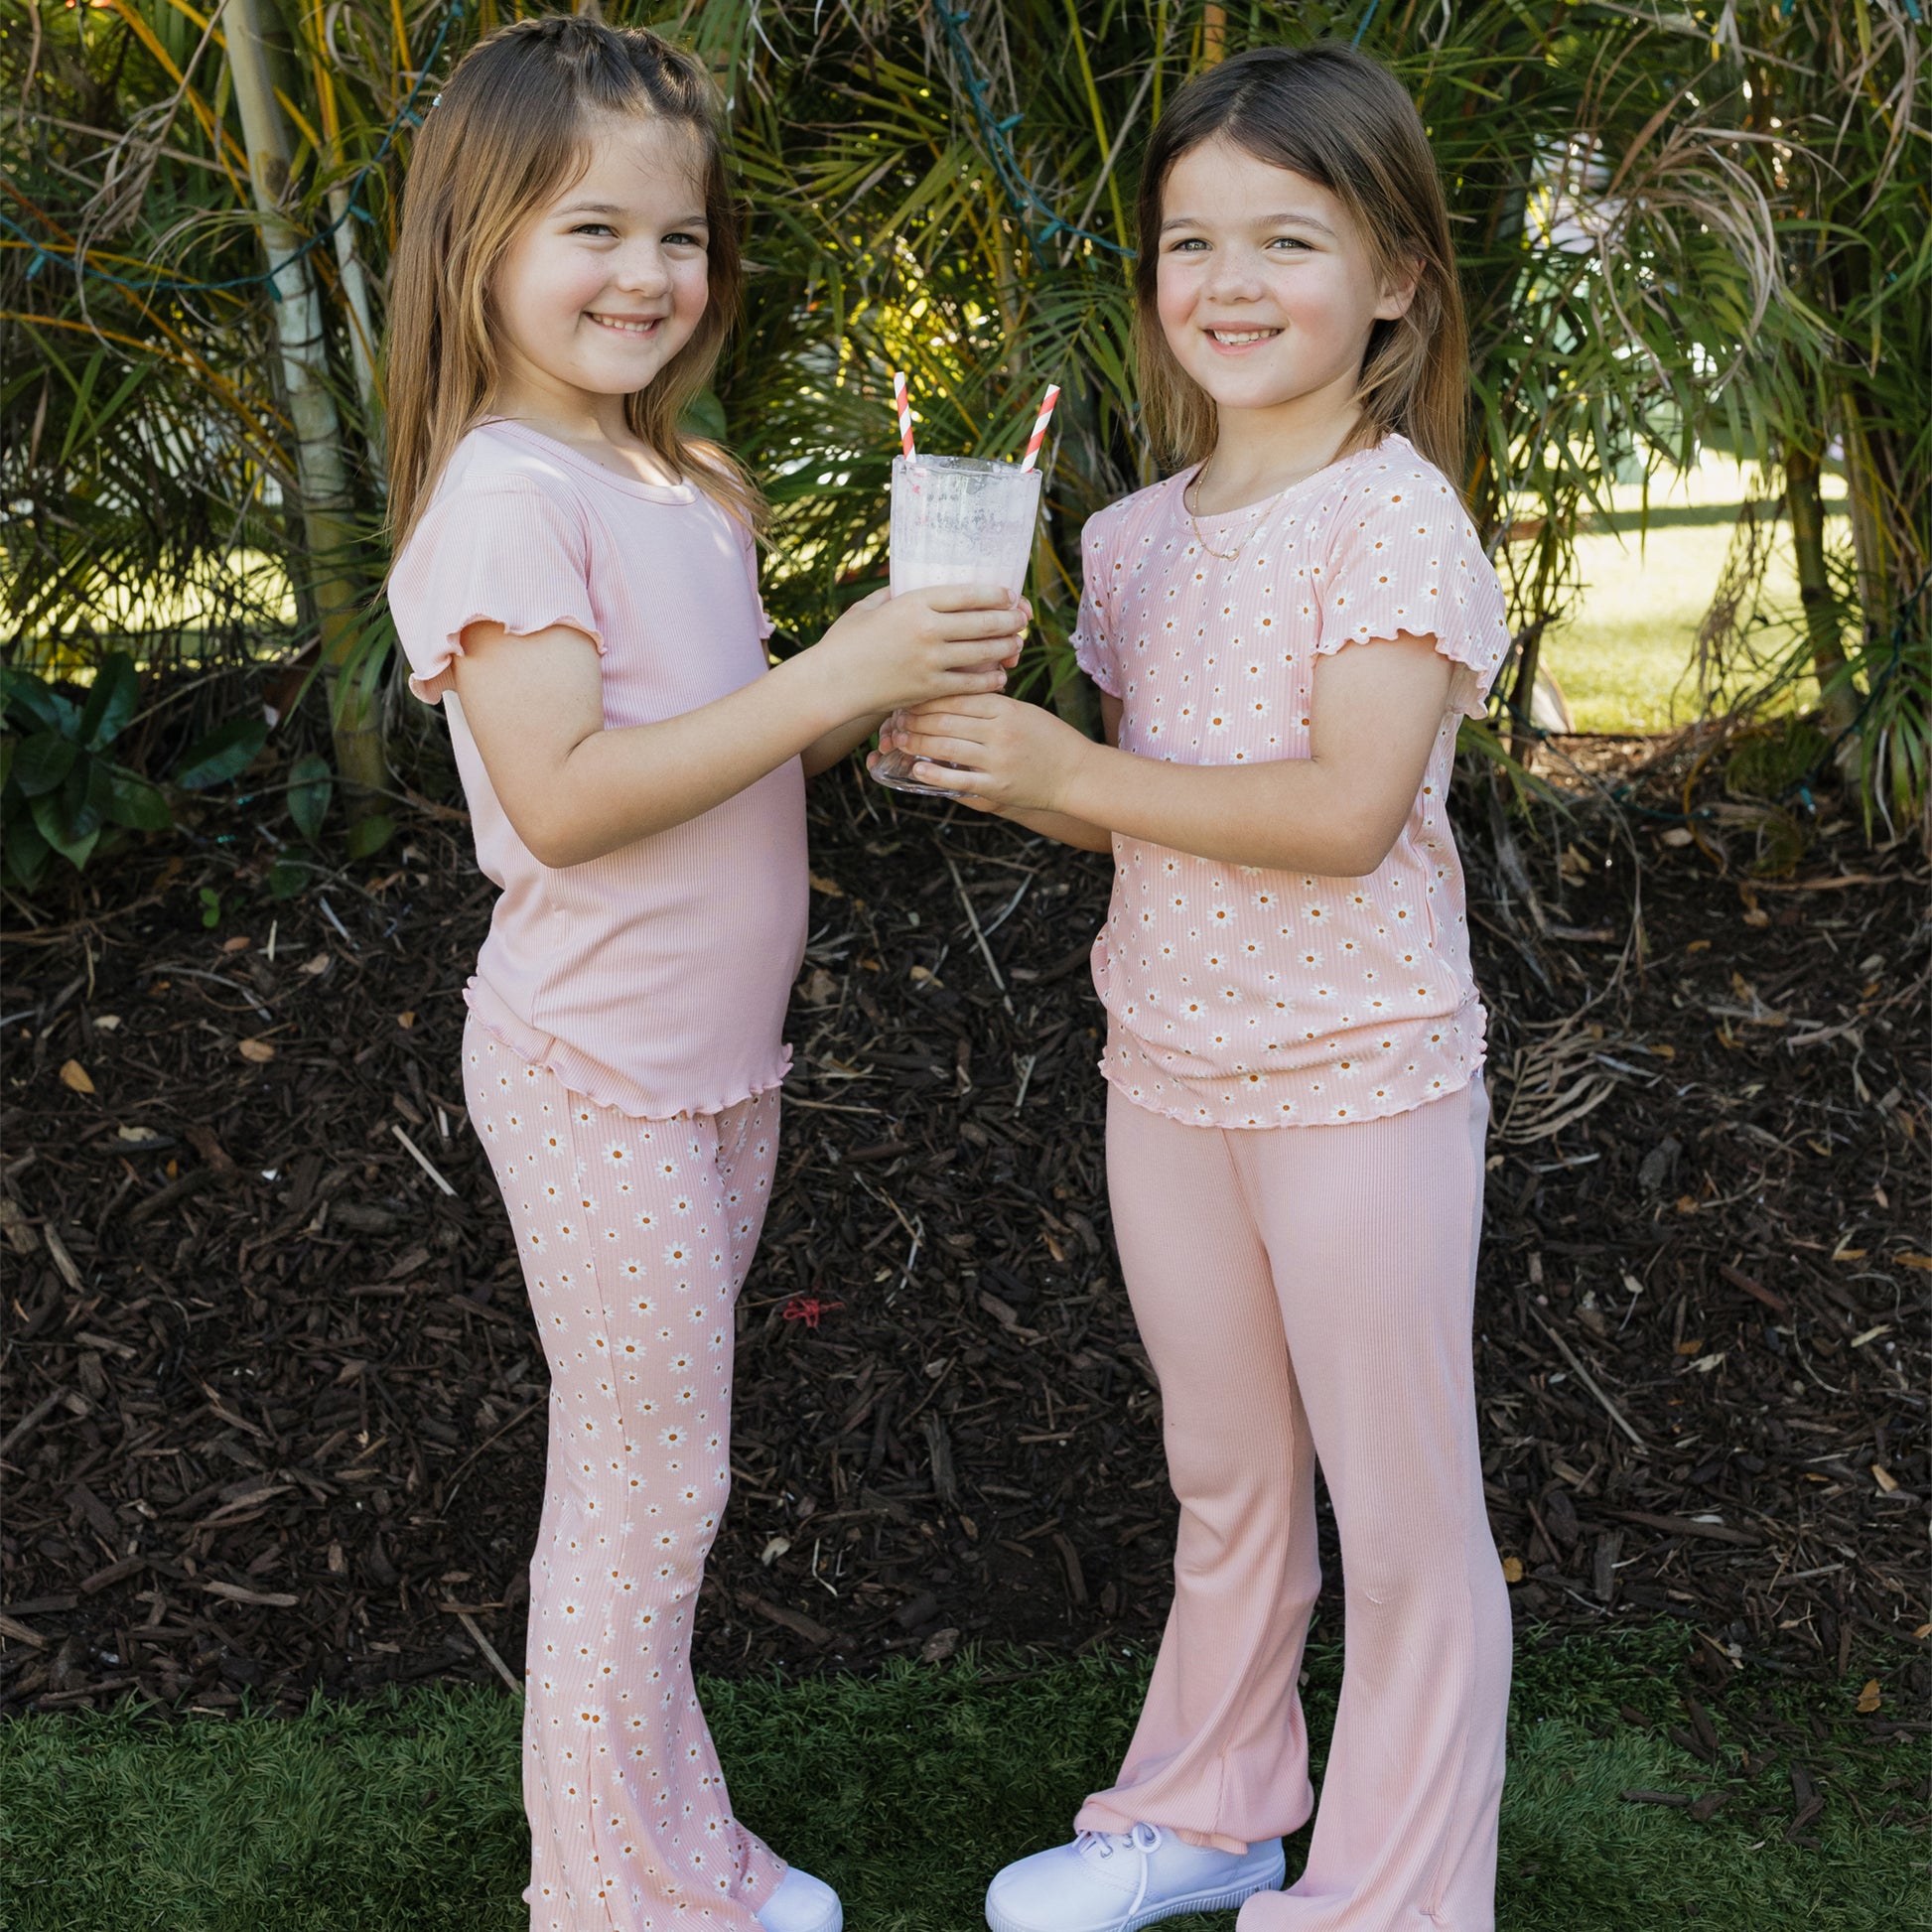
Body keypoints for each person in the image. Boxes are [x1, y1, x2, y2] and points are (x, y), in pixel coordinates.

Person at [383, 19, 1027, 1932]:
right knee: (645, 1494)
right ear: (480, 241)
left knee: (665, 1475)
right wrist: (829, 673)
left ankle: (671, 1840)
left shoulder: (683, 478)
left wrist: (871, 704)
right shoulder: (507, 497)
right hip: (591, 1069)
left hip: (714, 1066)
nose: (647, 274)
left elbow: (722, 740)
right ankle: (607, 1895)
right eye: (593, 228)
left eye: (681, 236)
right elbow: (569, 797)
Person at [884, 42, 1516, 1932]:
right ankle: (1211, 1807)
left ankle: (1391, 1899)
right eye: (1189, 242)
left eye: (1287, 242)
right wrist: (992, 759)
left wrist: (1075, 772)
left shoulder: (1396, 521)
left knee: (1404, 1526)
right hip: (1162, 1065)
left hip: (1359, 1074)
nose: (1228, 284)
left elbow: (1335, 810)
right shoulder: (1128, 539)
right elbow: (1152, 816)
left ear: (1396, 275)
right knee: (1228, 1472)